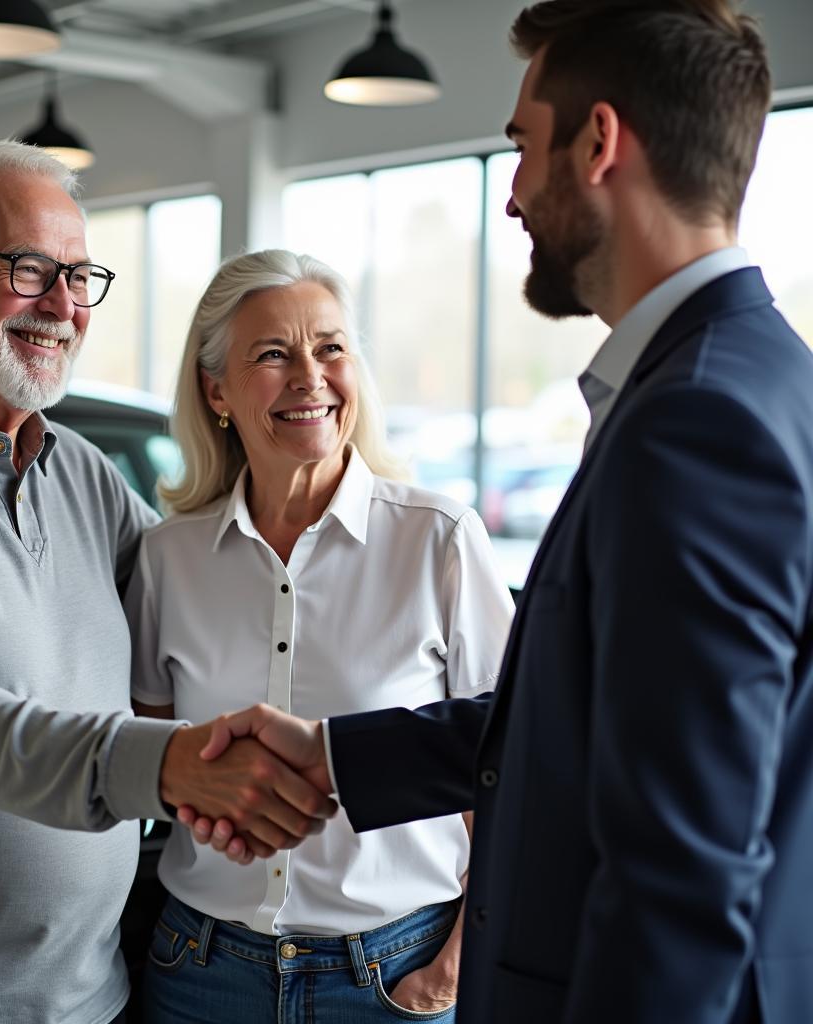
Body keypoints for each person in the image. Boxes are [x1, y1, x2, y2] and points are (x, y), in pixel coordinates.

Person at [184, 2, 813, 1022]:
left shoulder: (696, 419)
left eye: (521, 146)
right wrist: (337, 755)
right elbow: (585, 717)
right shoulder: (752, 376)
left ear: (597, 142)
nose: (513, 193)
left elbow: (681, 865)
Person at [0, 142, 334, 1024]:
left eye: (81, 277)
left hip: (90, 997)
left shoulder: (78, 473)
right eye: (31, 269)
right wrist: (171, 771)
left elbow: (199, 616)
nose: (65, 306)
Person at [126, 249, 513, 1022]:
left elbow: (512, 766)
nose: (310, 376)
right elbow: (143, 761)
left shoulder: (437, 540)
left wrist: (453, 970)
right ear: (217, 392)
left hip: (392, 974)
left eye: (330, 347)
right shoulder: (168, 557)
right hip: (202, 971)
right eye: (272, 354)